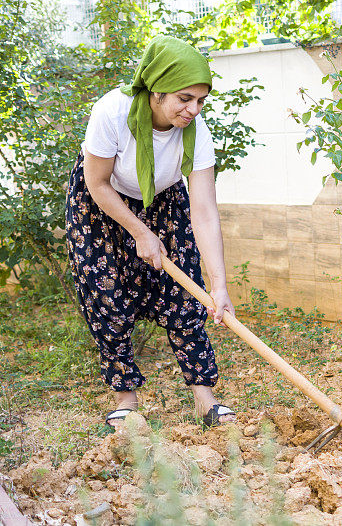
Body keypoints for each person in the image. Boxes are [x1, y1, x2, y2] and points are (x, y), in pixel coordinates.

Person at [65, 35, 236, 430]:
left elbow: (205, 211)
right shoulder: (112, 112)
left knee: (183, 293)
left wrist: (219, 284)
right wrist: (140, 232)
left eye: (200, 101)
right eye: (184, 98)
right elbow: (98, 183)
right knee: (105, 296)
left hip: (162, 199)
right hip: (99, 202)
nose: (193, 109)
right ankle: (126, 399)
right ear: (156, 91)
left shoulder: (197, 132)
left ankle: (205, 400)